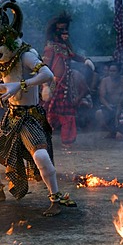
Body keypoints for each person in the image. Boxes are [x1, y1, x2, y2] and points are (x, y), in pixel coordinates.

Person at [0, 0, 76, 217]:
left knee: (40, 156)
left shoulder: (25, 54)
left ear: (10, 42)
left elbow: (48, 75)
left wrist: (20, 85)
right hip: (11, 117)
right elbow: (7, 86)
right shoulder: (5, 58)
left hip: (29, 118)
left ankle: (56, 198)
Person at [41, 12, 95, 146]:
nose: (64, 32)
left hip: (66, 84)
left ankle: (67, 141)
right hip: (54, 84)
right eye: (61, 30)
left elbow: (74, 55)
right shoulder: (50, 47)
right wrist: (45, 86)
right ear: (55, 31)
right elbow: (45, 66)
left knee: (68, 113)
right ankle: (41, 141)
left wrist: (85, 60)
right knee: (48, 112)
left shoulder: (65, 47)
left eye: (66, 29)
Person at [95, 63, 123, 138]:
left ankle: (122, 132)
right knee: (99, 113)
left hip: (122, 107)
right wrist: (109, 107)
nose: (111, 73)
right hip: (109, 106)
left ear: (119, 72)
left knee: (122, 116)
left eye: (114, 71)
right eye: (110, 71)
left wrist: (121, 106)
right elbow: (102, 97)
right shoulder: (104, 81)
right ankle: (111, 131)